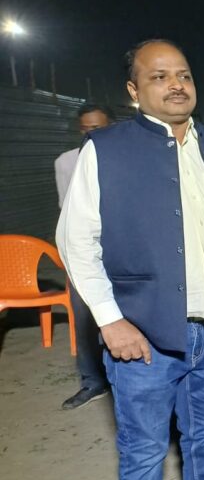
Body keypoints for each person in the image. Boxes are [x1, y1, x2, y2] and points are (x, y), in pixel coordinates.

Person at [56, 39, 204, 480]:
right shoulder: (106, 150)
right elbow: (76, 240)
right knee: (144, 448)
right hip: (142, 335)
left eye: (184, 75)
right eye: (159, 76)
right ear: (134, 90)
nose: (176, 85)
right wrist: (110, 320)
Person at [54, 103, 114, 410]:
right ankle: (93, 381)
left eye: (98, 128)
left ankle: (128, 382)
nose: (92, 134)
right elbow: (67, 210)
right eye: (87, 128)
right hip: (86, 252)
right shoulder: (66, 162)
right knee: (84, 319)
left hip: (122, 249)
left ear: (111, 126)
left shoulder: (125, 157)